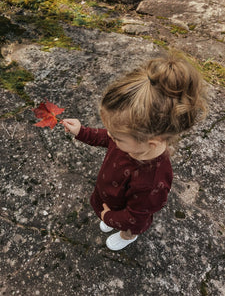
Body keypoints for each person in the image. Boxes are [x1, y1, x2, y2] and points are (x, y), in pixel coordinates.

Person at [61, 54, 206, 251]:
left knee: (131, 228)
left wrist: (110, 217)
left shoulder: (152, 182)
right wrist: (82, 131)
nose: (110, 136)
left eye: (118, 137)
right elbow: (105, 137)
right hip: (110, 197)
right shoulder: (132, 142)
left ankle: (127, 237)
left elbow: (135, 216)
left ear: (151, 142)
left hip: (127, 215)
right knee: (110, 212)